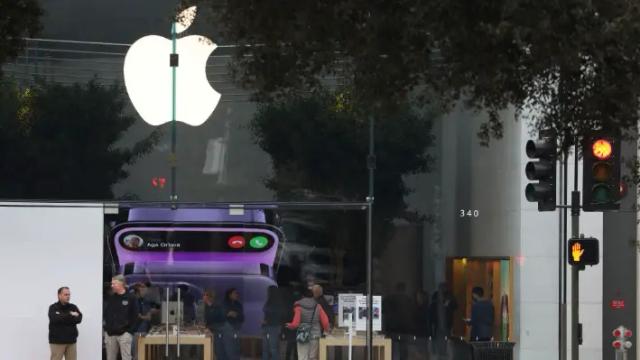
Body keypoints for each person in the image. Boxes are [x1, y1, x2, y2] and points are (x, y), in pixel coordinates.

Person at [286, 288, 330, 360]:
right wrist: (327, 330)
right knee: (312, 357)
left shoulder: (298, 306)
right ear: (313, 296)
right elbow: (325, 321)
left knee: (302, 356)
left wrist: (290, 325)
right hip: (315, 334)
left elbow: (296, 323)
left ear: (302, 296)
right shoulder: (318, 306)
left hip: (303, 334)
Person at [104, 275, 139, 360]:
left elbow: (135, 315)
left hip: (125, 334)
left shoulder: (131, 298)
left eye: (114, 284)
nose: (112, 286)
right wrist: (107, 329)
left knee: (126, 358)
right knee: (110, 358)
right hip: (111, 334)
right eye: (111, 284)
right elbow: (107, 314)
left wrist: (129, 332)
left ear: (121, 283)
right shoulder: (111, 298)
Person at [49, 287, 82, 360]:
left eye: (69, 294)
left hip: (71, 341)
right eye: (65, 294)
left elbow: (79, 319)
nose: (68, 296)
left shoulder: (73, 307)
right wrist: (70, 315)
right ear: (59, 295)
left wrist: (63, 317)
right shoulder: (53, 308)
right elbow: (55, 319)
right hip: (57, 342)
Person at [199, 289, 226, 360]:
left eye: (204, 295)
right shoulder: (205, 307)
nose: (203, 297)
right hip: (209, 330)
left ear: (209, 297)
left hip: (218, 331)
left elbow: (222, 321)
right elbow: (205, 320)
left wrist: (209, 327)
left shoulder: (218, 307)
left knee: (217, 351)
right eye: (203, 295)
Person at [221, 288, 245, 360]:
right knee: (229, 348)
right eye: (235, 293)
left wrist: (236, 314)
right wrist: (228, 314)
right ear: (229, 295)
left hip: (237, 328)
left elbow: (242, 317)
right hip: (227, 328)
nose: (236, 295)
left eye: (237, 293)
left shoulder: (239, 304)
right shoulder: (224, 304)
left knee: (236, 347)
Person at [262, 286, 285, 360]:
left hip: (273, 327)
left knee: (273, 348)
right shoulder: (270, 301)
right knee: (265, 348)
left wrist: (267, 320)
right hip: (267, 326)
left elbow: (277, 316)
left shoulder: (277, 303)